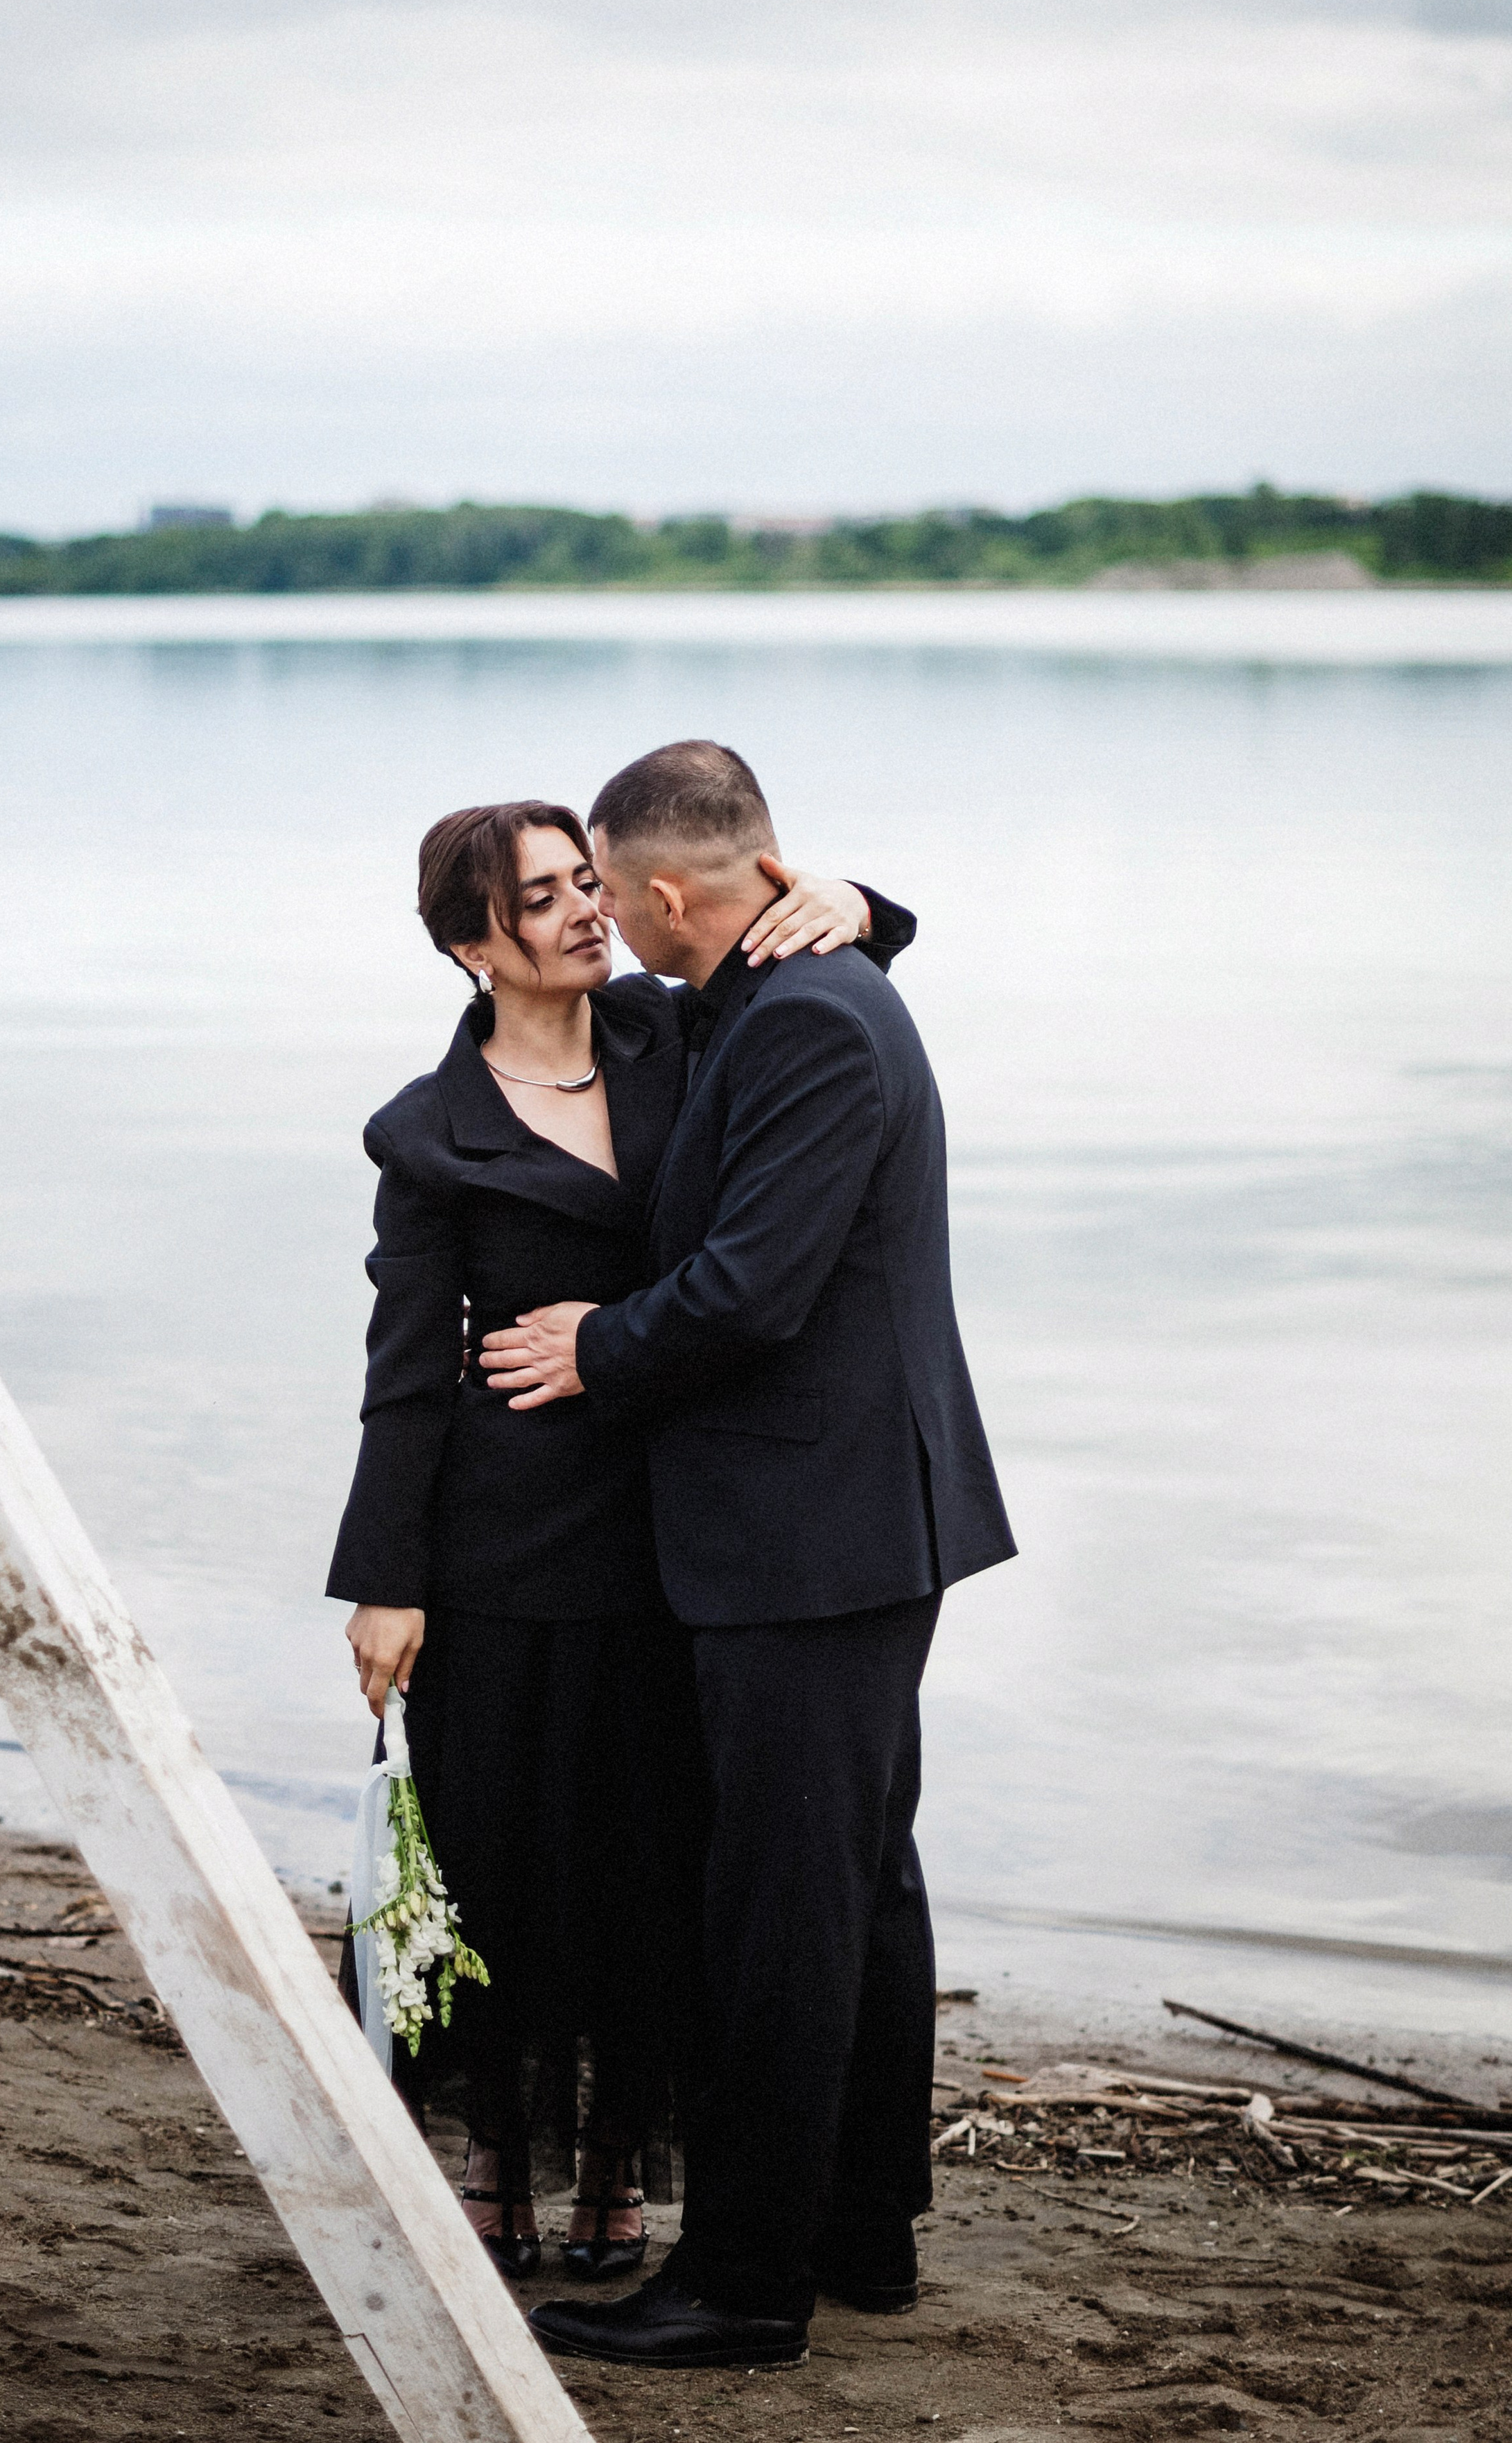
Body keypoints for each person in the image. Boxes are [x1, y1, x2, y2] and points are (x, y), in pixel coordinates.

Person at [476, 741, 1016, 2370]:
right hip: (842, 1520)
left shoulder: (804, 1021)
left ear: (656, 895)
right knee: (854, 1885)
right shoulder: (769, 987)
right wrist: (861, 903)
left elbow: (750, 1291)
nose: (603, 927)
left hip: (813, 1532)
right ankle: (860, 2234)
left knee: (779, 1907)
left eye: (606, 895)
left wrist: (596, 1345)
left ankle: (747, 2286)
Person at [327, 797, 915, 2282]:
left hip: (678, 1529)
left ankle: (613, 2170)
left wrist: (851, 897)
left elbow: (798, 979)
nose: (586, 911)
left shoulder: (674, 1035)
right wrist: (383, 1582)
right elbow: (405, 1376)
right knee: (507, 1858)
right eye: (540, 899)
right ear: (473, 947)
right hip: (509, 1547)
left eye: (588, 881)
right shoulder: (428, 1134)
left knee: (652, 1868)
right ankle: (495, 2158)